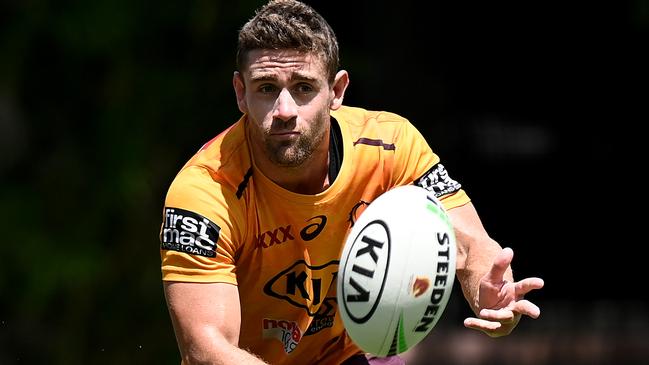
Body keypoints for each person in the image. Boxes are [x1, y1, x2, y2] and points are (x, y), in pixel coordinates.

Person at [159, 0, 544, 364]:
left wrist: (487, 291)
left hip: (353, 355)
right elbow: (208, 351)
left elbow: (468, 241)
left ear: (337, 91)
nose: (285, 111)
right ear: (241, 94)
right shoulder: (205, 193)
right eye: (266, 88)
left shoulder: (391, 146)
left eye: (304, 88)